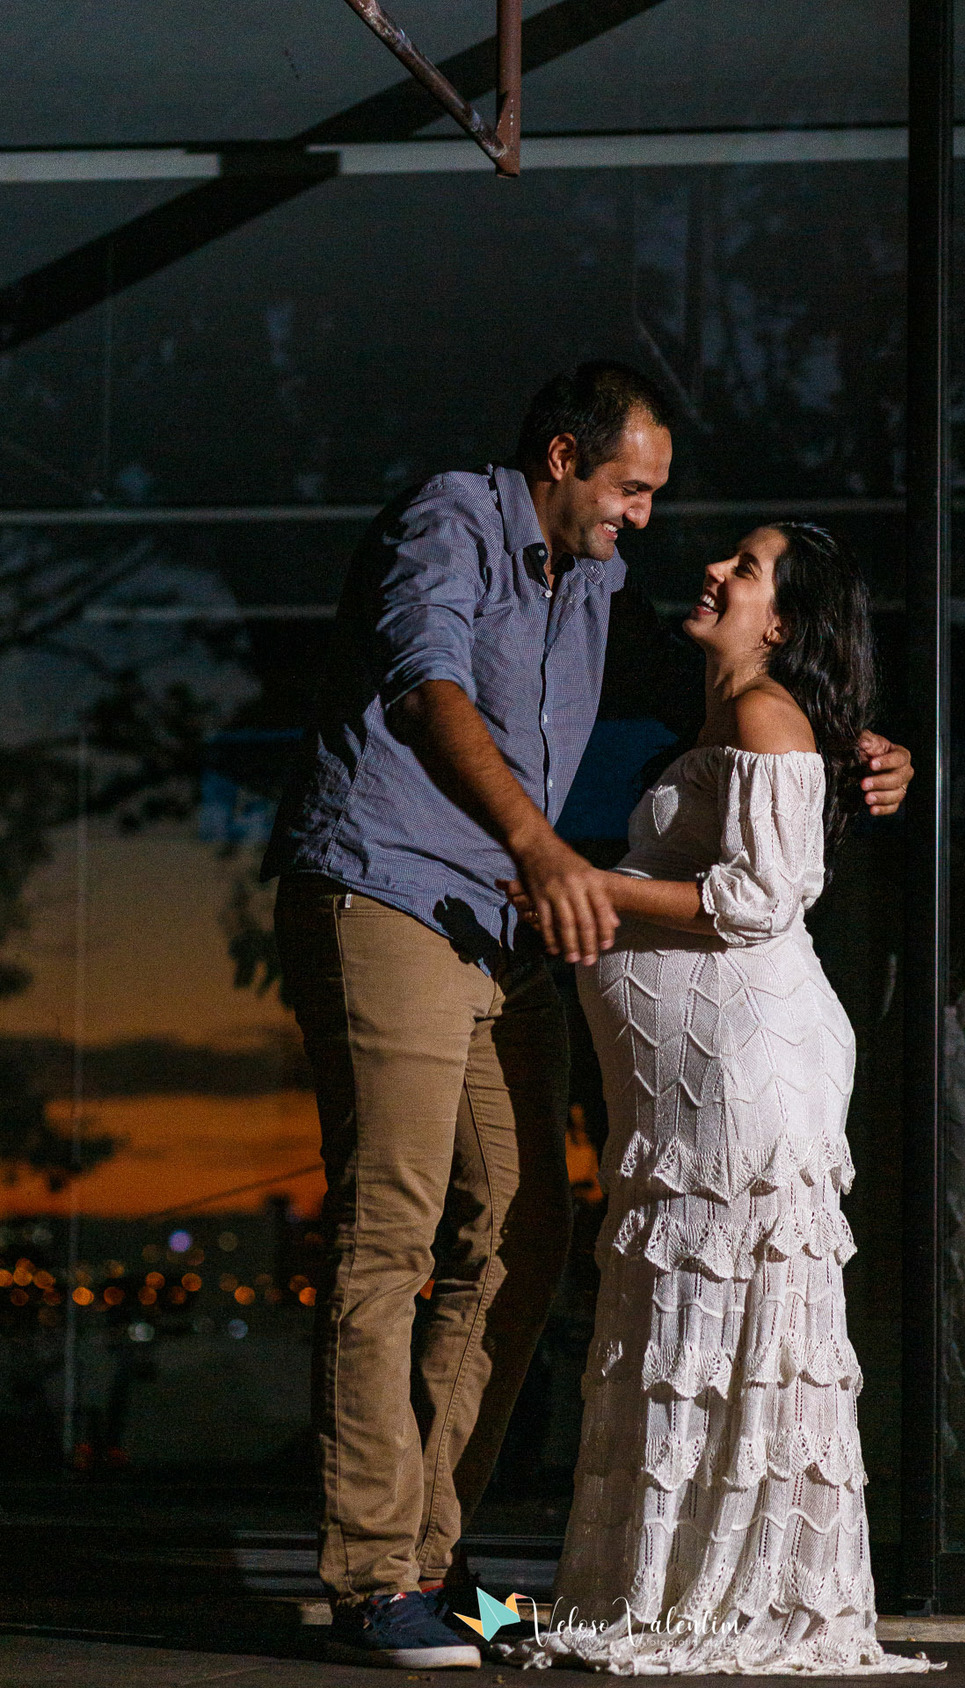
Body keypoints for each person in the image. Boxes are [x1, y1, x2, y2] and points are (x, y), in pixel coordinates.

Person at [263, 362, 914, 1669]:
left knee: (524, 1234)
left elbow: (641, 742)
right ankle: (369, 1573)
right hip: (391, 897)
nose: (646, 521)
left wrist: (842, 752)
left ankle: (431, 1555)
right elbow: (427, 689)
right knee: (393, 1225)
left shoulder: (598, 582)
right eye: (632, 488)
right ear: (562, 461)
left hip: (501, 928)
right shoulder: (453, 518)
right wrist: (546, 853)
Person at [504, 524, 928, 1674]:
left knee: (736, 1318)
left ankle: (737, 1585)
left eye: (746, 570)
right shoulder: (730, 718)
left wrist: (589, 884)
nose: (717, 572)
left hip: (740, 1085)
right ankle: (671, 1580)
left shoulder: (762, 714)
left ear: (782, 623)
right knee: (686, 1324)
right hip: (685, 1098)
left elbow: (761, 894)